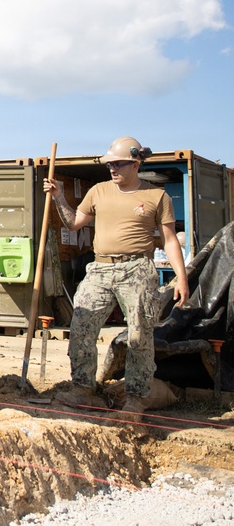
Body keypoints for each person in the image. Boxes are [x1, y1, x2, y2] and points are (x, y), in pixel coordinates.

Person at [43, 136, 190, 420]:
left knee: (140, 334)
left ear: (136, 164)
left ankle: (136, 397)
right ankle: (84, 389)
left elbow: (170, 241)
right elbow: (74, 223)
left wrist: (181, 279)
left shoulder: (157, 196)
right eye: (110, 164)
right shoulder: (98, 191)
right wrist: (59, 196)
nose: (112, 168)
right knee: (82, 326)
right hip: (99, 269)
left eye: (119, 164)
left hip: (136, 269)